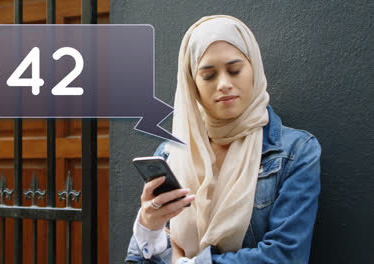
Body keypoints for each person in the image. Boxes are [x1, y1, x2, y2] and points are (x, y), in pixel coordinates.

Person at [125, 15, 321, 264]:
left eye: (235, 70)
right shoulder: (171, 153)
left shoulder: (296, 152)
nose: (224, 84)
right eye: (208, 76)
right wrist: (149, 226)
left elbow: (286, 256)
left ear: (255, 70)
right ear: (192, 85)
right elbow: (139, 260)